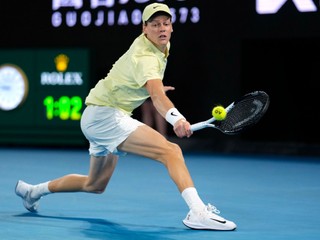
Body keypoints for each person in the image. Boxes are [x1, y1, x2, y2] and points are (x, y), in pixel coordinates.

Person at [15, 3, 236, 231]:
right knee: (171, 151)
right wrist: (176, 118)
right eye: (155, 24)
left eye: (166, 24)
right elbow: (156, 96)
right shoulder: (146, 57)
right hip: (105, 115)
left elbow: (148, 86)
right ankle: (198, 212)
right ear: (144, 28)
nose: (161, 28)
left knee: (95, 184)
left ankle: (33, 191)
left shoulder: (162, 45)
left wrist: (154, 88)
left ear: (171, 27)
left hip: (96, 114)